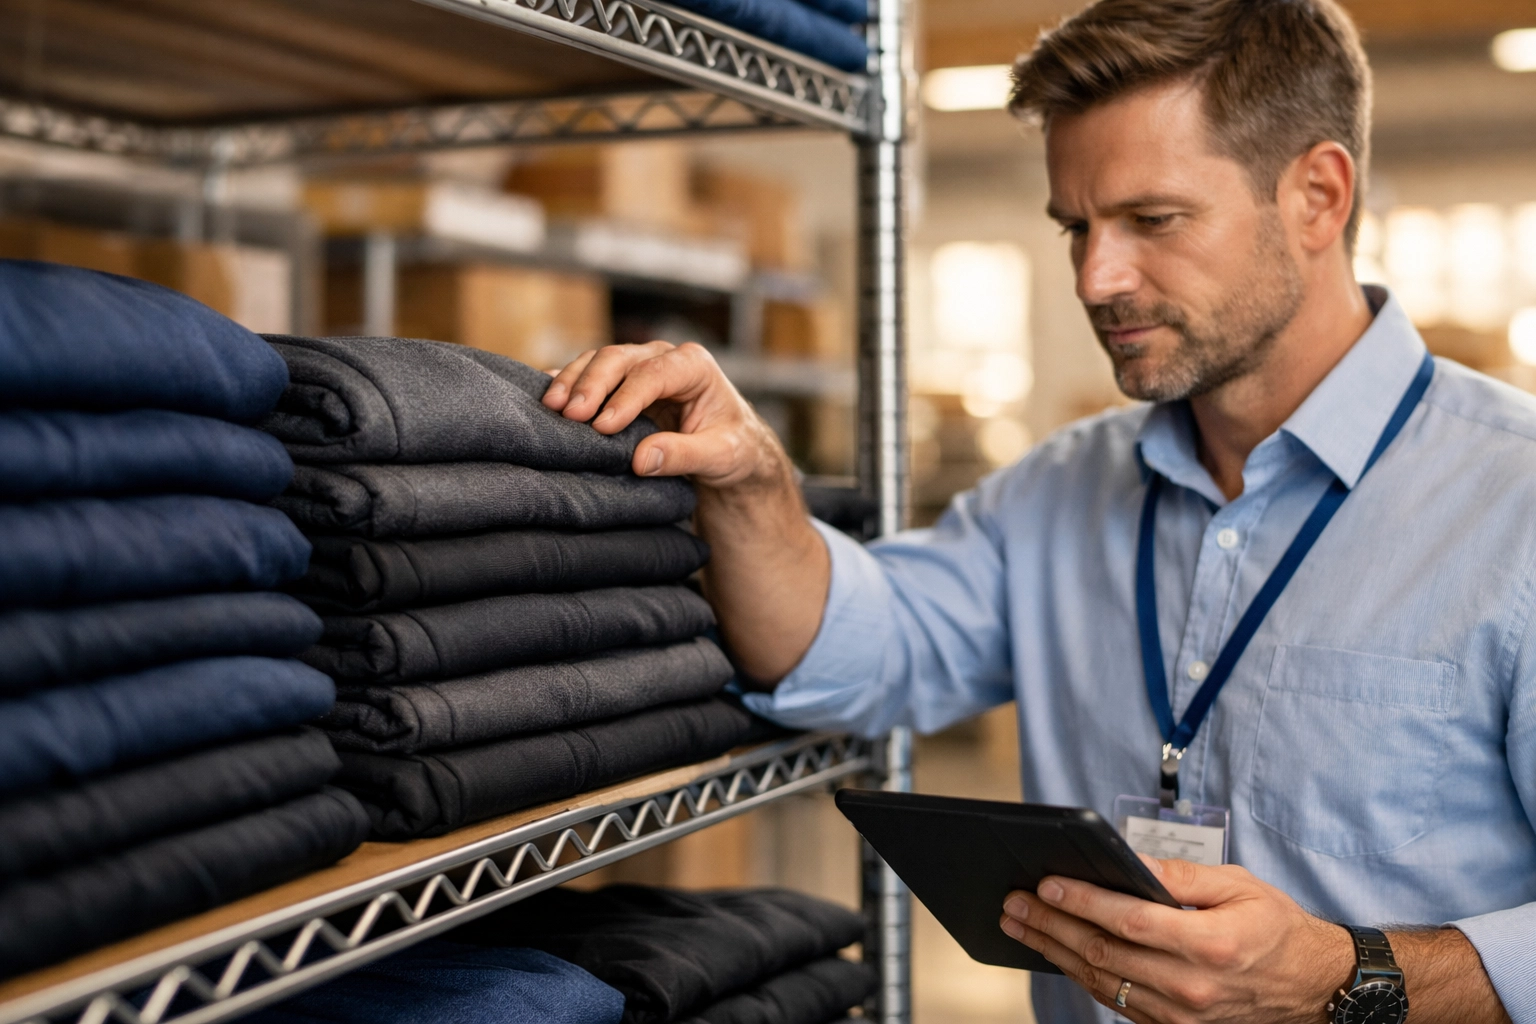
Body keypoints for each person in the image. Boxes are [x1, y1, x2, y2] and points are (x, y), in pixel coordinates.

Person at [540, 1, 1533, 1022]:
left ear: (1318, 197)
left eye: (1153, 220)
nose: (1097, 278)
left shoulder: (1516, 506)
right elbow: (850, 648)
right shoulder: (1053, 493)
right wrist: (751, 481)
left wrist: (1344, 973)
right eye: (1076, 228)